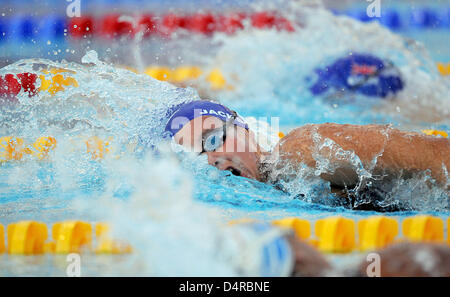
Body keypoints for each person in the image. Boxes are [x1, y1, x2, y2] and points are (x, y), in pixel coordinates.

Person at [164, 99, 449, 211]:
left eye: (213, 139)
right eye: (193, 156)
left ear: (245, 132)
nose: (211, 159)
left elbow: (434, 156)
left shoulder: (305, 152)